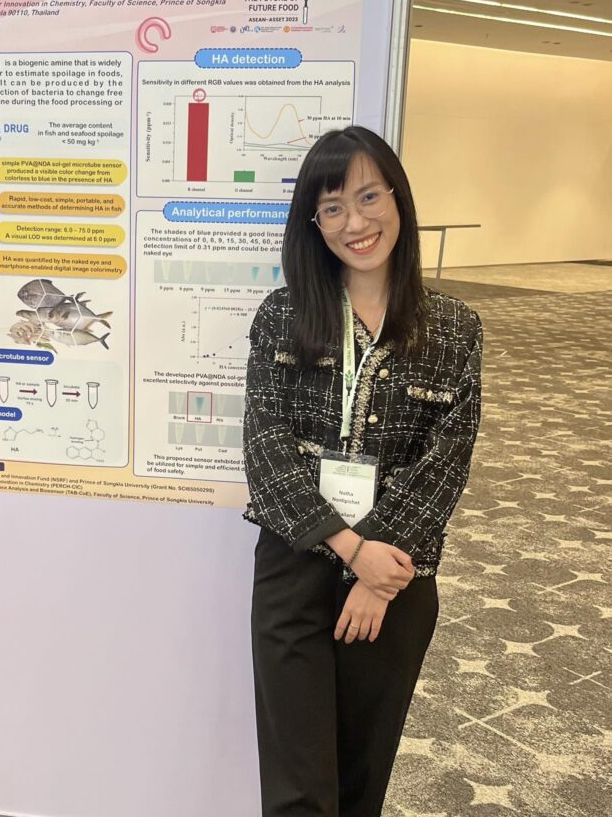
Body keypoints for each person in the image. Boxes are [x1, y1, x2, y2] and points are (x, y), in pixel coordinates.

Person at [243, 126, 483, 817]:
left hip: (398, 575)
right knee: (297, 788)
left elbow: (445, 462)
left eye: (369, 197)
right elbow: (265, 448)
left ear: (398, 199)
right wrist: (353, 551)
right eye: (333, 207)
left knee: (360, 780)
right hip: (296, 563)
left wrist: (378, 573)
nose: (356, 222)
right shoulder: (284, 316)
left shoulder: (455, 329)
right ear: (314, 225)